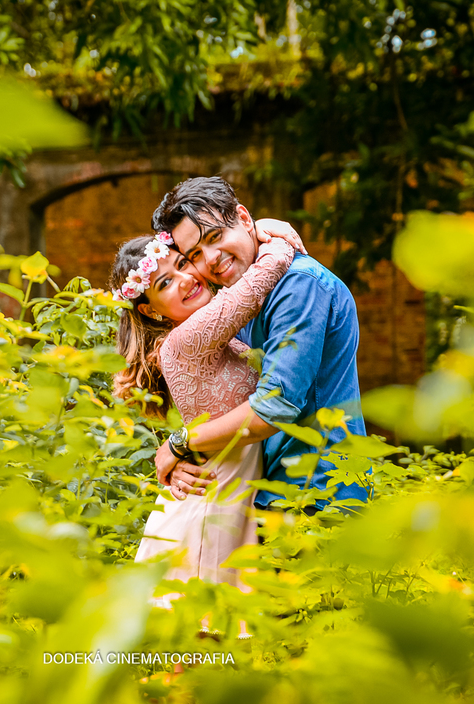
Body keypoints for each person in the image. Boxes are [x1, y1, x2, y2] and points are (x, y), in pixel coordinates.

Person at [150, 176, 369, 514]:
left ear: (244, 218)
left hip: (322, 493)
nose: (210, 259)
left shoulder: (299, 287)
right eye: (195, 253)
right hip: (277, 494)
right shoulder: (248, 293)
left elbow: (274, 408)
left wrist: (181, 443)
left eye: (215, 236)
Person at [110, 225, 298, 602]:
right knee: (192, 651)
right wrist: (270, 232)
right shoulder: (185, 340)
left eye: (183, 263)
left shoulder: (219, 335)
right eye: (165, 283)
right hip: (208, 509)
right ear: (150, 310)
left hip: (226, 502)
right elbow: (266, 271)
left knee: (218, 649)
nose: (185, 279)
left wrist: (175, 449)